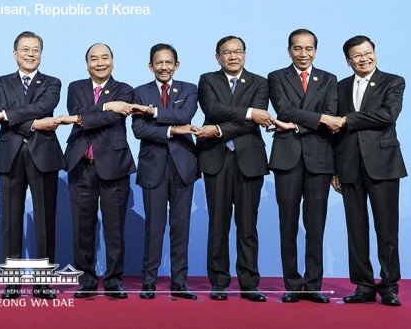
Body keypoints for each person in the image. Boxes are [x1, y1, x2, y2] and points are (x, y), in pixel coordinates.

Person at [0, 31, 65, 300]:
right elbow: (6, 112)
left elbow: (44, 106)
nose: (30, 54)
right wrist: (33, 123)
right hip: (11, 155)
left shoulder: (53, 82)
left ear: (41, 53)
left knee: (44, 222)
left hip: (44, 156)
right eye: (25, 49)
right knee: (11, 222)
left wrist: (11, 116)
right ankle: (12, 283)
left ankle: (43, 283)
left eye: (36, 50)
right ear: (14, 53)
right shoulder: (2, 82)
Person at [194, 36, 273, 302]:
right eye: (226, 52)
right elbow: (212, 108)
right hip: (216, 159)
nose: (232, 56)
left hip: (249, 161)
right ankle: (219, 282)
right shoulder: (207, 80)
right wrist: (250, 113)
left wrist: (219, 128)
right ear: (218, 57)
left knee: (248, 226)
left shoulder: (260, 82)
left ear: (245, 55)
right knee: (218, 224)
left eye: (237, 51)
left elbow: (252, 122)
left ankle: (249, 283)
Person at [329, 35, 406, 306]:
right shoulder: (339, 86)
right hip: (348, 165)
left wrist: (348, 119)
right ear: (348, 61)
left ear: (375, 53)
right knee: (356, 229)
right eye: (357, 55)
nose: (364, 58)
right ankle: (363, 285)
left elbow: (388, 115)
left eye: (368, 53)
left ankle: (389, 286)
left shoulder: (393, 81)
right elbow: (332, 133)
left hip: (383, 164)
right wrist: (333, 170)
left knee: (387, 229)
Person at [57, 43, 136, 299]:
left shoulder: (125, 89)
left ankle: (114, 281)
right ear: (87, 63)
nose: (99, 63)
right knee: (82, 228)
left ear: (113, 61)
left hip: (114, 166)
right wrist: (105, 106)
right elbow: (75, 113)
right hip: (81, 166)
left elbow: (112, 118)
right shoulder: (75, 87)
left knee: (114, 228)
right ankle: (86, 281)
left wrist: (97, 113)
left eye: (105, 58)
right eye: (94, 59)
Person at [267, 29, 337, 303]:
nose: (303, 53)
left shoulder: (329, 79)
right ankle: (292, 284)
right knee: (288, 225)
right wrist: (316, 120)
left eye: (309, 48)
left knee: (316, 225)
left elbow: (331, 115)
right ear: (289, 51)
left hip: (319, 160)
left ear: (315, 51)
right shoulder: (276, 77)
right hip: (287, 160)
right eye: (297, 48)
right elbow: (284, 110)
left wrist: (296, 125)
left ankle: (314, 284)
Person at [130, 44, 200, 300]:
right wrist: (171, 130)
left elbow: (185, 115)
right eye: (158, 63)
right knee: (154, 227)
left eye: (168, 62)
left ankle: (179, 283)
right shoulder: (139, 92)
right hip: (153, 167)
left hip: (183, 167)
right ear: (151, 66)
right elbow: (139, 130)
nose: (164, 67)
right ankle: (149, 281)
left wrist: (153, 112)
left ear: (176, 65)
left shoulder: (190, 89)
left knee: (181, 227)